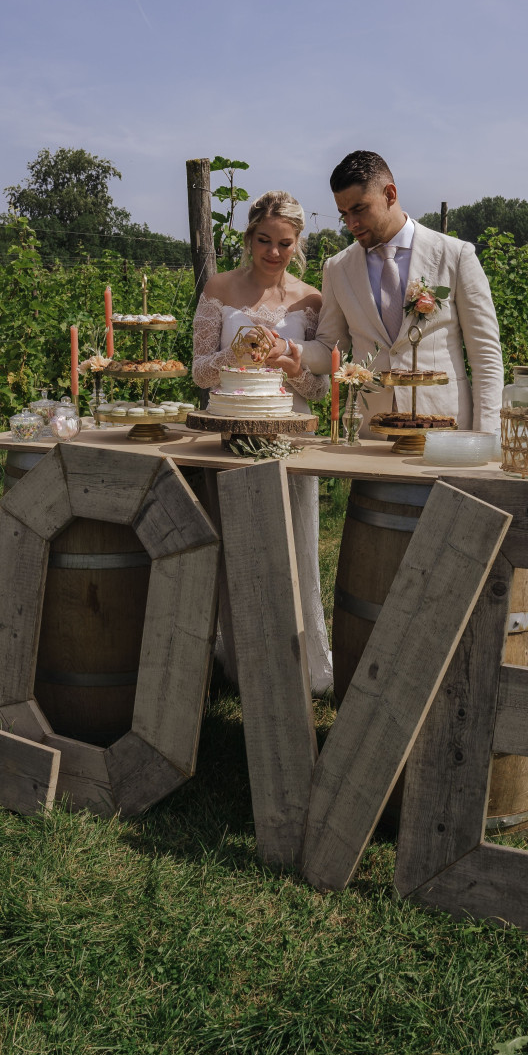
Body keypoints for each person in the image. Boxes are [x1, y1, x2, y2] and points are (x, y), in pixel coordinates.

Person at [192, 189, 333, 694]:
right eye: (264, 240)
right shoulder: (220, 288)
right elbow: (199, 372)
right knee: (235, 545)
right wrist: (234, 355)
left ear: (298, 244)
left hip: (290, 433)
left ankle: (301, 662)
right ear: (248, 238)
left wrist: (295, 366)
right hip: (232, 430)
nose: (274, 252)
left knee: (294, 546)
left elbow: (318, 387)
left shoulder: (312, 299)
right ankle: (239, 660)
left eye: (285, 243)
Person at [266, 150, 504, 432]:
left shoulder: (455, 255)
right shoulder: (338, 268)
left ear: (390, 194)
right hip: (370, 433)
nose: (351, 224)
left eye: (359, 209)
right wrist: (288, 348)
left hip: (445, 431)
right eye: (344, 214)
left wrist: (487, 437)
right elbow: (331, 349)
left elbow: (486, 356)